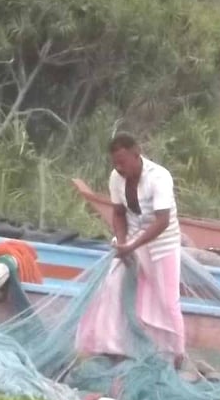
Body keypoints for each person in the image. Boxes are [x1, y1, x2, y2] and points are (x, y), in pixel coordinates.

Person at [75, 132, 186, 367]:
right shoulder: (116, 178)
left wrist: (132, 246)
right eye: (115, 163)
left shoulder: (159, 177)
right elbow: (118, 213)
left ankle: (176, 354)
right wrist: (123, 243)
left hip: (161, 242)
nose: (119, 167)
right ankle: (110, 345)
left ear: (137, 155)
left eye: (123, 162)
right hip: (133, 238)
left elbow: (162, 220)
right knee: (112, 285)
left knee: (166, 301)